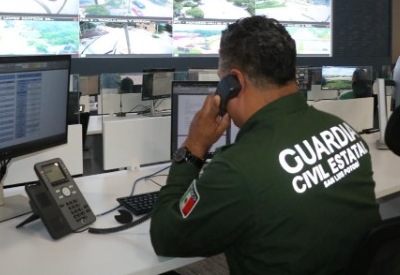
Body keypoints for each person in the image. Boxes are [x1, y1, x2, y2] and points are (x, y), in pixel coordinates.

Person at [149, 16, 380, 274]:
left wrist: (193, 145)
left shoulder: (238, 167)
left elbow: (165, 236)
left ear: (234, 83)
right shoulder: (344, 131)